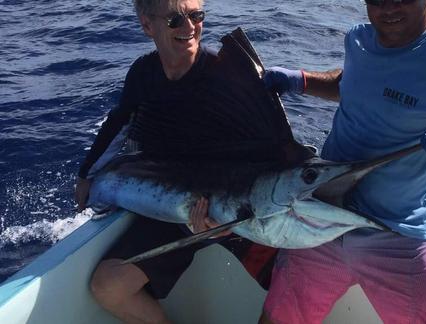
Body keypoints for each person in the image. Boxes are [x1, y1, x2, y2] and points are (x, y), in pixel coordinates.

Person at [260, 0, 426, 323]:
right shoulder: (358, 41)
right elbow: (352, 83)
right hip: (322, 220)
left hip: (396, 235)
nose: (389, 7)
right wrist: (301, 80)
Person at [74, 0, 276, 323]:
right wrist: (85, 174)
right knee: (108, 285)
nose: (189, 27)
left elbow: (263, 152)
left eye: (197, 16)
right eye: (175, 20)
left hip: (235, 209)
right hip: (175, 210)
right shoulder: (143, 73)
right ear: (146, 25)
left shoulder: (225, 74)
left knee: (293, 280)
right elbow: (118, 121)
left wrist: (222, 224)